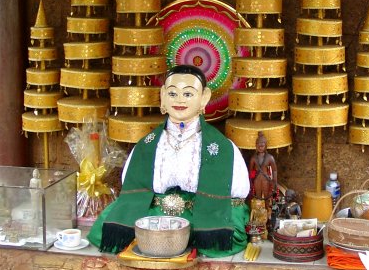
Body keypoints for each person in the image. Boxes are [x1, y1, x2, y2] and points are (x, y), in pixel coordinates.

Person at [88, 65, 250, 257]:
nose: (180, 100)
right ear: (163, 95)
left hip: (200, 213)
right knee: (113, 225)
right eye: (173, 93)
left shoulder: (222, 148)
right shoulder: (147, 145)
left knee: (220, 233)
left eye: (188, 94)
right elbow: (132, 192)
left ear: (204, 97)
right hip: (154, 212)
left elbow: (236, 196)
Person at [248, 132, 277, 207]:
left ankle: (267, 210)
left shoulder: (270, 157)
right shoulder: (253, 158)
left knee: (267, 196)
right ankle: (258, 211)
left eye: (262, 146)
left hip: (265, 179)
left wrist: (274, 181)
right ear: (256, 146)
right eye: (259, 146)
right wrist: (250, 181)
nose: (260, 148)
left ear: (265, 146)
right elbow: (250, 171)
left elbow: (274, 170)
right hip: (257, 180)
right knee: (258, 196)